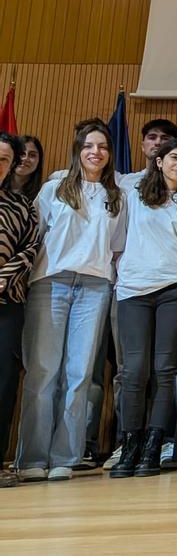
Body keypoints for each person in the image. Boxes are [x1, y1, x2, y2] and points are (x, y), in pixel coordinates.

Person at [15, 123, 124, 483]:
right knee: (43, 371)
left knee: (79, 375)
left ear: (110, 153)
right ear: (78, 150)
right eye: (89, 145)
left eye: (103, 146)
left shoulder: (117, 196)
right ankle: (32, 458)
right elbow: (33, 236)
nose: (96, 152)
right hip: (51, 283)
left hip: (95, 287)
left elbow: (117, 248)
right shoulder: (54, 188)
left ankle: (65, 456)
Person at [110, 138, 177, 478]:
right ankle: (129, 444)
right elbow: (117, 240)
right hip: (134, 290)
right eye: (174, 158)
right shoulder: (133, 193)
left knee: (165, 369)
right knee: (134, 370)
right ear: (159, 161)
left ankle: (154, 444)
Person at [0, 133, 41, 488]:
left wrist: (2, 278)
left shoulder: (22, 206)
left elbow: (31, 247)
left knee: (3, 382)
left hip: (8, 302)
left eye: (4, 159)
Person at [10, 135, 43, 200]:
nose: (25, 158)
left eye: (32, 155)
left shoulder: (42, 195)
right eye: (21, 153)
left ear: (39, 161)